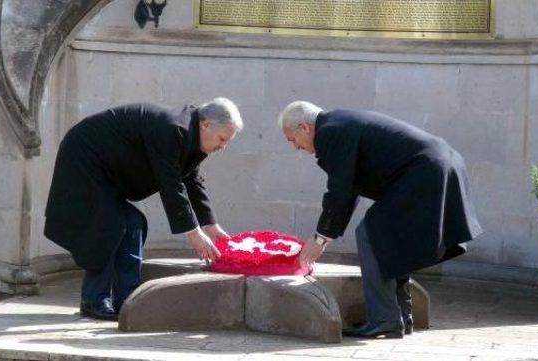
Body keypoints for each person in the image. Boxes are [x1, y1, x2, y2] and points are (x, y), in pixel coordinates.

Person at [277, 101, 482, 339]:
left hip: (425, 171)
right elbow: (349, 189)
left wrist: (320, 237)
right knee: (387, 236)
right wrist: (327, 234)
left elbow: (340, 191)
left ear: (304, 127)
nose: (295, 147)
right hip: (440, 164)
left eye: (292, 139)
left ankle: (384, 319)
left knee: (371, 234)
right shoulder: (339, 123)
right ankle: (400, 316)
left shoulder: (329, 132)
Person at [44, 98, 243, 321]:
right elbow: (171, 185)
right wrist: (194, 234)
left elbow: (192, 181)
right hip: (85, 158)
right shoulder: (173, 129)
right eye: (222, 139)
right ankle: (94, 300)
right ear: (206, 125)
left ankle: (128, 302)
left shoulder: (190, 134)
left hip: (108, 172)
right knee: (108, 225)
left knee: (133, 223)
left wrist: (211, 226)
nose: (222, 147)